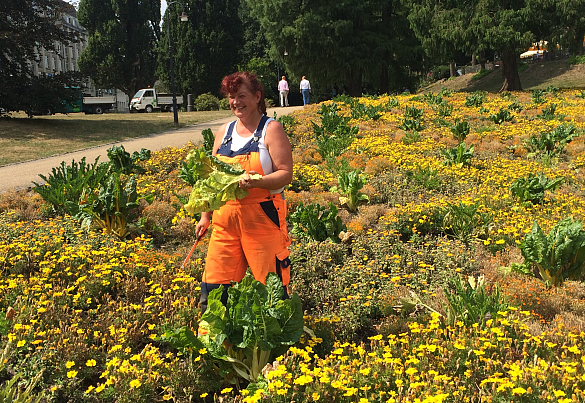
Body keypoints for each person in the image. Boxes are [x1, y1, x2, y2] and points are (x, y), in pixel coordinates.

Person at [195, 71, 293, 314]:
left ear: (257, 96)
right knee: (214, 290)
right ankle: (215, 346)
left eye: (241, 95)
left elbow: (285, 173)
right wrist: (205, 216)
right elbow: (212, 180)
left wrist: (257, 183)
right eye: (231, 97)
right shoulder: (223, 132)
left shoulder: (271, 130)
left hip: (262, 219)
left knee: (271, 290)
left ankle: (276, 347)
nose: (236, 102)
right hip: (224, 222)